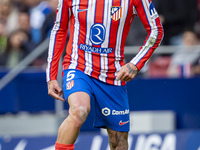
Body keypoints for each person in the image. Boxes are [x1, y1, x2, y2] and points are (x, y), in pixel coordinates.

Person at [46, 0, 163, 149]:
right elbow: (59, 29)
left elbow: (156, 30)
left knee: (118, 143)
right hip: (78, 66)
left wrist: (135, 64)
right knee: (79, 111)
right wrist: (51, 75)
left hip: (113, 74)